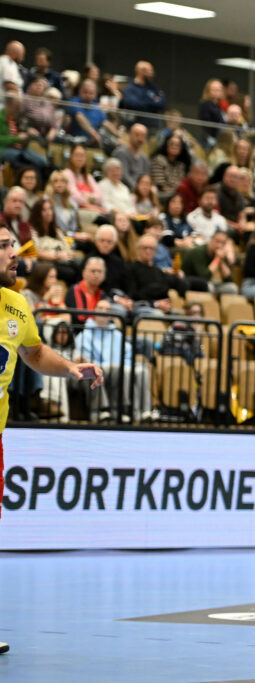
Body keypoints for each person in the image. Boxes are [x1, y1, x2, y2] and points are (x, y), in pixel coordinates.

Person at [0, 221, 104, 654]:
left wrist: (71, 367)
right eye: (4, 246)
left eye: (13, 244)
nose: (15, 253)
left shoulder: (16, 304)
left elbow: (35, 352)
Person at [73, 298, 155, 422]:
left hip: (119, 366)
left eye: (107, 309)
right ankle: (122, 410)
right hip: (99, 367)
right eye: (100, 308)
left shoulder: (117, 334)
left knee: (141, 369)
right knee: (120, 370)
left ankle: (144, 411)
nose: (103, 311)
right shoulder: (84, 334)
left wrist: (126, 365)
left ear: (111, 315)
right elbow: (84, 359)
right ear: (94, 312)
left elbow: (128, 354)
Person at [180, 229, 238, 295]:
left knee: (232, 288)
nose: (219, 245)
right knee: (209, 287)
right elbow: (204, 276)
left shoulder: (220, 253)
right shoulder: (198, 252)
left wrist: (221, 261)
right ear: (211, 240)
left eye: (223, 243)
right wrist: (217, 259)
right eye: (217, 241)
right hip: (189, 282)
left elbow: (229, 280)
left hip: (207, 284)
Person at [120, 61, 166, 129]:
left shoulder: (153, 88)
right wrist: (152, 103)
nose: (152, 73)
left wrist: (142, 102)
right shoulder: (130, 88)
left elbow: (161, 104)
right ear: (141, 71)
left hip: (153, 126)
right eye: (149, 71)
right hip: (136, 126)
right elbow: (133, 105)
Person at [151, 134, 191, 204]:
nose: (174, 146)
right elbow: (161, 185)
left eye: (177, 145)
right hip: (162, 194)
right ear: (166, 145)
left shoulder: (181, 165)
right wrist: (177, 191)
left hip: (178, 194)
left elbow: (181, 183)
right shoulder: (158, 160)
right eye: (172, 144)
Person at [112, 123, 151, 190]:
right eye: (137, 135)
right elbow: (124, 176)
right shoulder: (121, 153)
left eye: (143, 136)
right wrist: (138, 189)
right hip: (123, 190)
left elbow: (146, 177)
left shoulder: (144, 158)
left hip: (140, 192)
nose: (140, 139)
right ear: (129, 135)